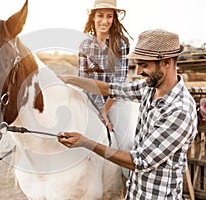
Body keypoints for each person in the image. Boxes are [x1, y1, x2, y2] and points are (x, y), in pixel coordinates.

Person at [58, 29, 198, 199]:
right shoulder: (149, 88)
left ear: (166, 63)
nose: (138, 71)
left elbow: (138, 161)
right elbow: (111, 89)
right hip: (135, 193)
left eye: (144, 65)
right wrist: (69, 79)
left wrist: (85, 142)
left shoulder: (179, 111)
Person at [79, 0, 136, 178]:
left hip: (116, 101)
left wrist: (105, 111)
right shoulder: (84, 45)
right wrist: (97, 108)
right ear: (93, 17)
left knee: (127, 144)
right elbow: (83, 79)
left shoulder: (121, 43)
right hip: (90, 99)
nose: (104, 20)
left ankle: (130, 185)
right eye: (100, 15)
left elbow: (118, 83)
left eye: (109, 16)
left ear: (114, 19)